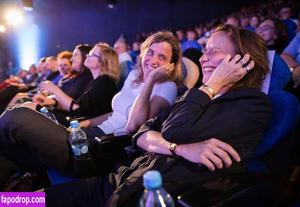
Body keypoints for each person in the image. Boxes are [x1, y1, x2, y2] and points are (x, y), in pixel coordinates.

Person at [44, 25, 272, 206]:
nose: (203, 58)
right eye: (205, 50)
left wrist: (212, 86)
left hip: (148, 195)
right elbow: (143, 133)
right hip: (121, 181)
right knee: (22, 201)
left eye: (214, 51)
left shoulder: (252, 105)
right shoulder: (193, 95)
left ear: (244, 60)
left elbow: (173, 130)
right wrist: (178, 148)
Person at [0, 31, 182, 181]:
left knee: (17, 117)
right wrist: (81, 125)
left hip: (102, 148)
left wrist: (150, 81)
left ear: (171, 65)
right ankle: (10, 197)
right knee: (16, 143)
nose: (153, 60)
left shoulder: (167, 87)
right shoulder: (134, 76)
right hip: (90, 134)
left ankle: (14, 195)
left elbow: (134, 126)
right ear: (142, 52)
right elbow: (113, 114)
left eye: (162, 57)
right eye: (150, 52)